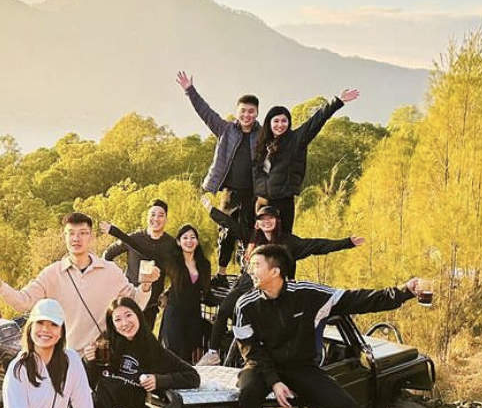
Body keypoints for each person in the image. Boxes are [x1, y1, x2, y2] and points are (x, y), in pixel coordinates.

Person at [233, 243, 422, 408]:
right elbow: (251, 350)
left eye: (256, 265)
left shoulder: (308, 294)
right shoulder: (245, 304)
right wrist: (274, 381)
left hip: (301, 366)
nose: (250, 270)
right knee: (247, 394)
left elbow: (359, 299)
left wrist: (404, 291)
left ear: (275, 271)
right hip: (261, 365)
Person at [199, 198, 364, 365]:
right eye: (262, 219)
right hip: (248, 282)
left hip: (272, 287)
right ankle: (213, 353)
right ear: (257, 223)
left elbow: (317, 245)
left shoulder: (288, 242)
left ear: (277, 221)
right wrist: (211, 209)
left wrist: (347, 242)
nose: (266, 222)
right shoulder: (251, 238)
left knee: (267, 323)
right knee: (225, 310)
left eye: (270, 218)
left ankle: (268, 359)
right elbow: (229, 224)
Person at [0, 212, 157, 365]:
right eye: (71, 233)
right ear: (64, 237)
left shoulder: (110, 271)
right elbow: (23, 302)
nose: (76, 238)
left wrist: (146, 284)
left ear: (91, 237)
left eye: (83, 233)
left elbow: (136, 305)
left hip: (104, 357)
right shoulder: (52, 273)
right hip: (67, 360)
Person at [176, 71, 261, 276]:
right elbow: (206, 113)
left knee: (249, 233)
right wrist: (190, 90)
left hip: (253, 192)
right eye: (243, 111)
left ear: (257, 113)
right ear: (237, 112)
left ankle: (246, 273)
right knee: (226, 232)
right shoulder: (226, 129)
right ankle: (221, 273)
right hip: (229, 192)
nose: (247, 115)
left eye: (251, 111)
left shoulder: (263, 134)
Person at [100, 219, 211, 362]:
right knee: (173, 355)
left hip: (194, 314)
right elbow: (139, 247)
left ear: (197, 241)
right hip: (175, 313)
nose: (189, 241)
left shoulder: (204, 264)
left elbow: (205, 290)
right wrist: (114, 231)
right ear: (178, 242)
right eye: (185, 238)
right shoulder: (172, 261)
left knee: (190, 356)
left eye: (192, 237)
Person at [253, 87, 360, 233]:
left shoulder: (296, 139)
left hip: (283, 202)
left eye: (284, 121)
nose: (280, 125)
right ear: (269, 123)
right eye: (276, 121)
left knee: (283, 243)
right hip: (261, 202)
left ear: (289, 123)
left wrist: (337, 102)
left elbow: (315, 121)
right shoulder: (261, 144)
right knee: (258, 242)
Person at [102, 199, 178, 328]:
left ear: (166, 219)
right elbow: (107, 255)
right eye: (153, 214)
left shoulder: (171, 245)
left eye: (161, 215)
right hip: (128, 301)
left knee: (145, 339)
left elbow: (178, 275)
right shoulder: (134, 238)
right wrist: (117, 281)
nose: (156, 219)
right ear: (147, 217)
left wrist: (167, 294)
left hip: (151, 305)